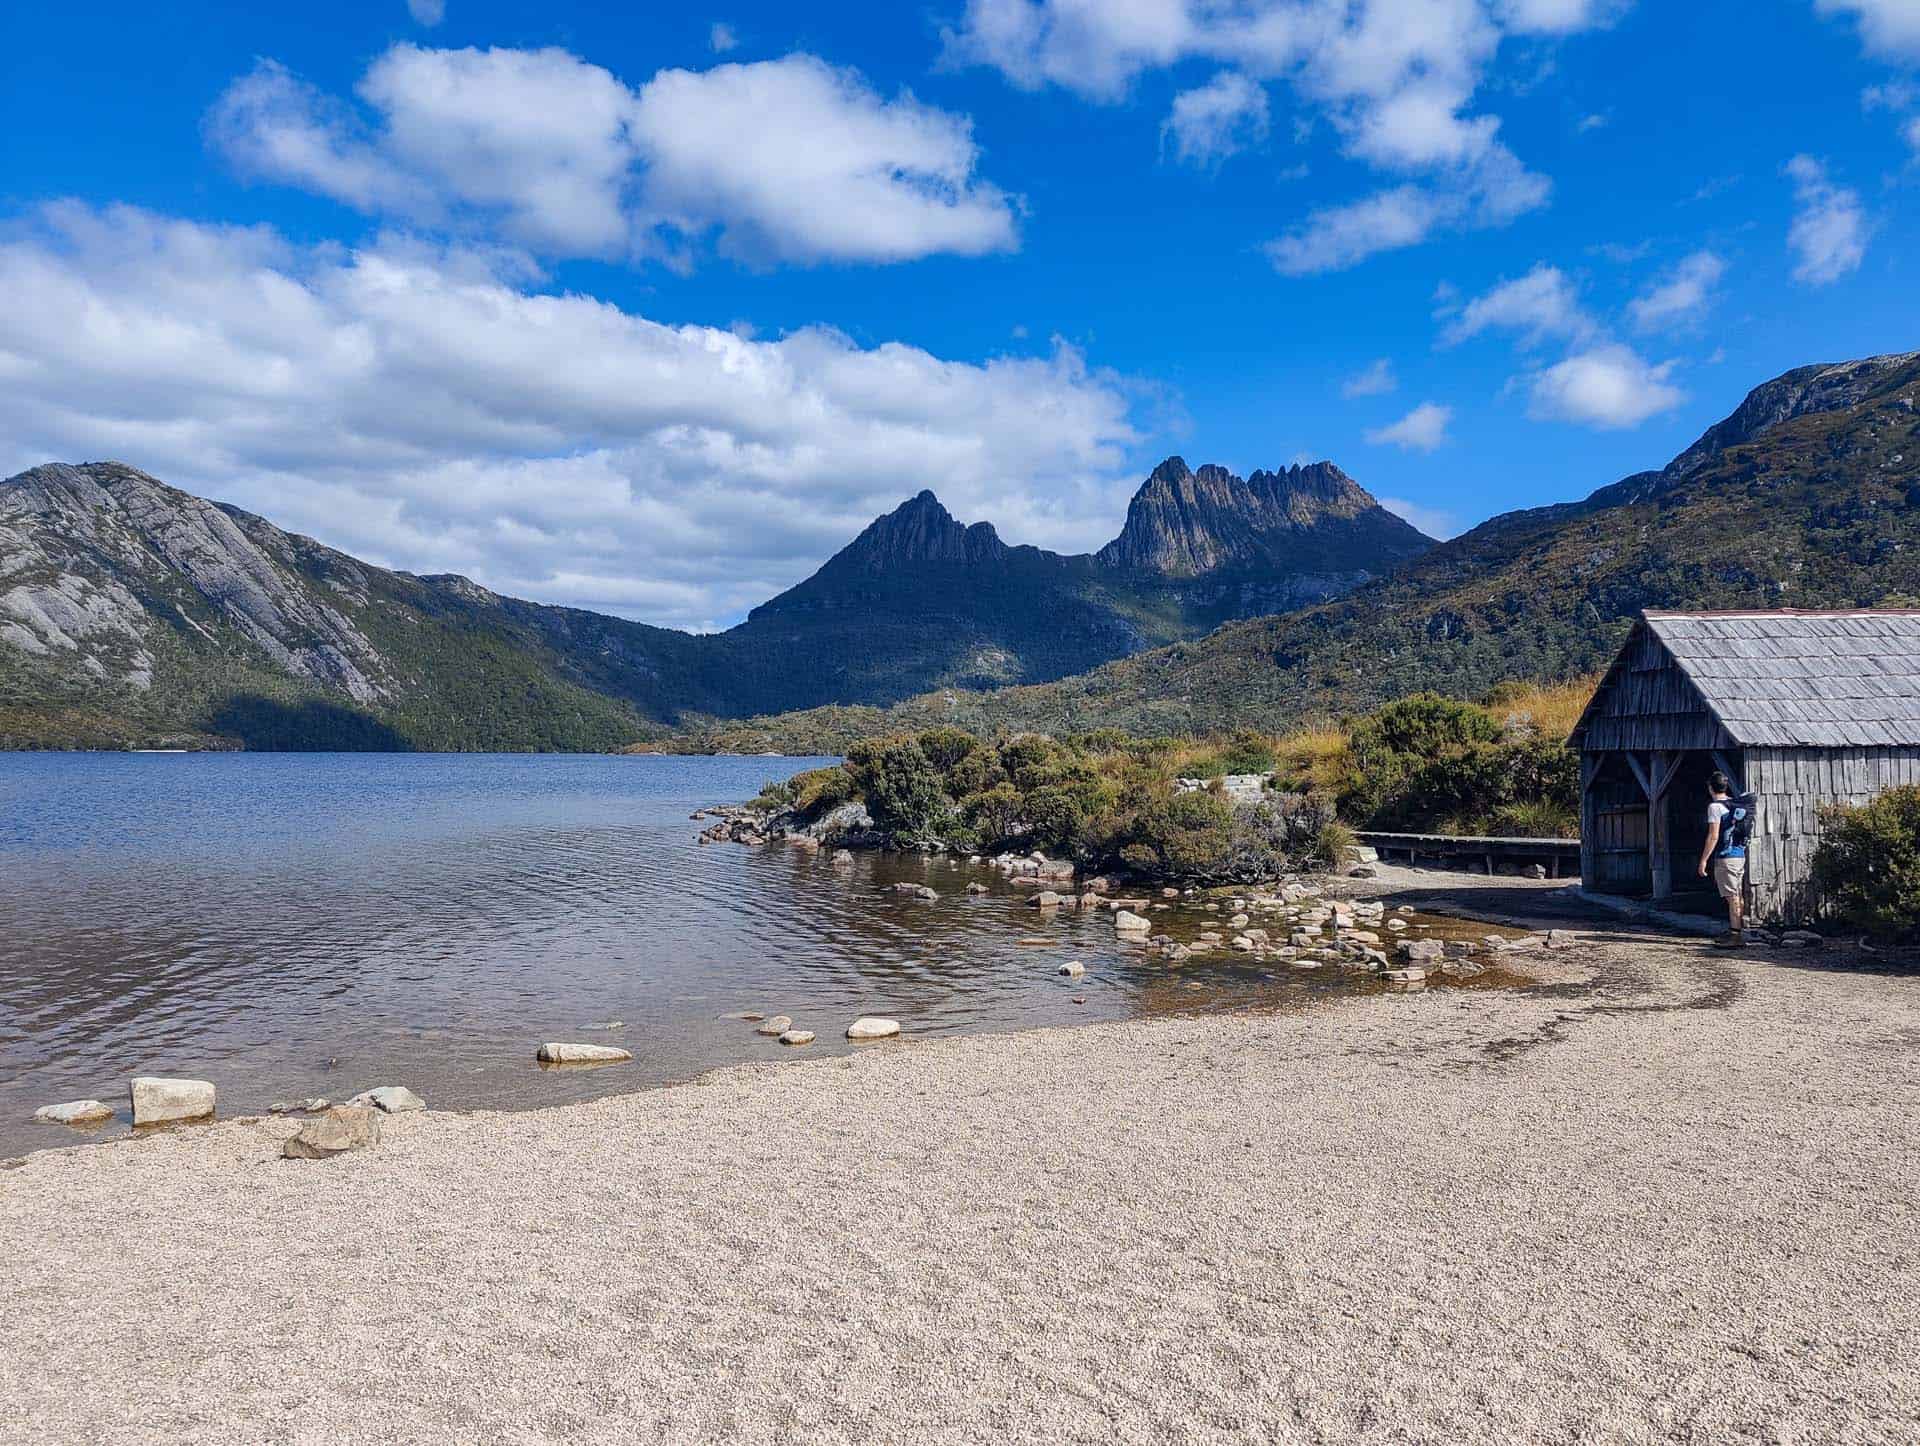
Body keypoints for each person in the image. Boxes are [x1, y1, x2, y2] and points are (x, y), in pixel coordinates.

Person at [1696, 772, 1749, 946]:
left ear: (1710, 787)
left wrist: (1704, 860)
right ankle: (1735, 931)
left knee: (1732, 896)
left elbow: (1713, 836)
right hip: (1739, 855)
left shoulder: (1714, 807)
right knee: (1736, 894)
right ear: (1725, 787)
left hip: (1726, 858)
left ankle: (1735, 937)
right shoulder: (1734, 804)